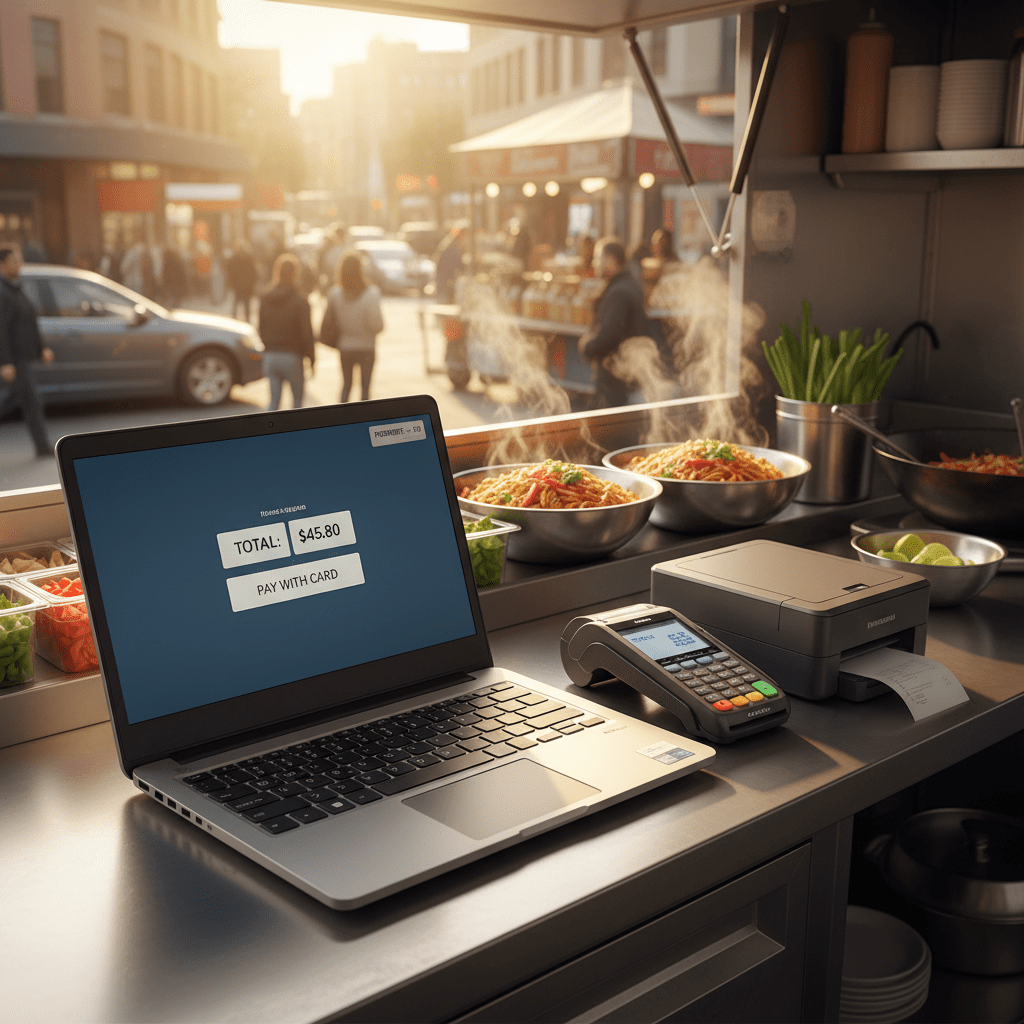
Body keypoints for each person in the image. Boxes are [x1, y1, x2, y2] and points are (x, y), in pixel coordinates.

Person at [578, 237, 651, 409]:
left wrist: (587, 345)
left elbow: (609, 336)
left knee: (610, 430)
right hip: (626, 375)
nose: (595, 264)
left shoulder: (618, 293)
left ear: (611, 260)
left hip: (615, 379)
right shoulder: (628, 284)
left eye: (598, 258)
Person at [0, 244, 55, 456]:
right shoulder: (3, 292)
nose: (18, 264)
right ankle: (42, 446)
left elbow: (29, 322)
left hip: (21, 357)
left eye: (19, 260)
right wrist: (4, 362)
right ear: (3, 265)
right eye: (14, 261)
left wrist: (42, 348)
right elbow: (1, 330)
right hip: (14, 358)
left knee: (16, 399)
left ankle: (41, 446)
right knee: (31, 400)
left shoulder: (15, 288)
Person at [320, 253, 384, 403]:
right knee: (365, 390)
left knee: (346, 385)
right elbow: (378, 325)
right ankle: (365, 421)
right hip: (366, 346)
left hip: (345, 346)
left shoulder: (334, 294)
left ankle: (343, 420)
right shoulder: (371, 294)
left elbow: (329, 322)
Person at [257, 253, 315, 411]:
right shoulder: (300, 301)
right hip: (292, 356)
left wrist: (268, 346)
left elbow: (260, 327)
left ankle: (271, 434)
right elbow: (306, 333)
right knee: (297, 405)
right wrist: (311, 357)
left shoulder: (265, 297)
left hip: (270, 356)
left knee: (273, 403)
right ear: (295, 274)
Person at [225, 240, 258, 322]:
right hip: (244, 286)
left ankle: (236, 318)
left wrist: (231, 283)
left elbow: (230, 272)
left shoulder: (235, 259)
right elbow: (254, 272)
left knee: (239, 304)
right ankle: (244, 319)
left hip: (240, 286)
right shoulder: (248, 258)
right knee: (243, 305)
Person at [433, 226, 465, 304]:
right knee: (446, 299)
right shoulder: (453, 246)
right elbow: (455, 263)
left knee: (444, 297)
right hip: (446, 277)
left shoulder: (448, 242)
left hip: (444, 276)